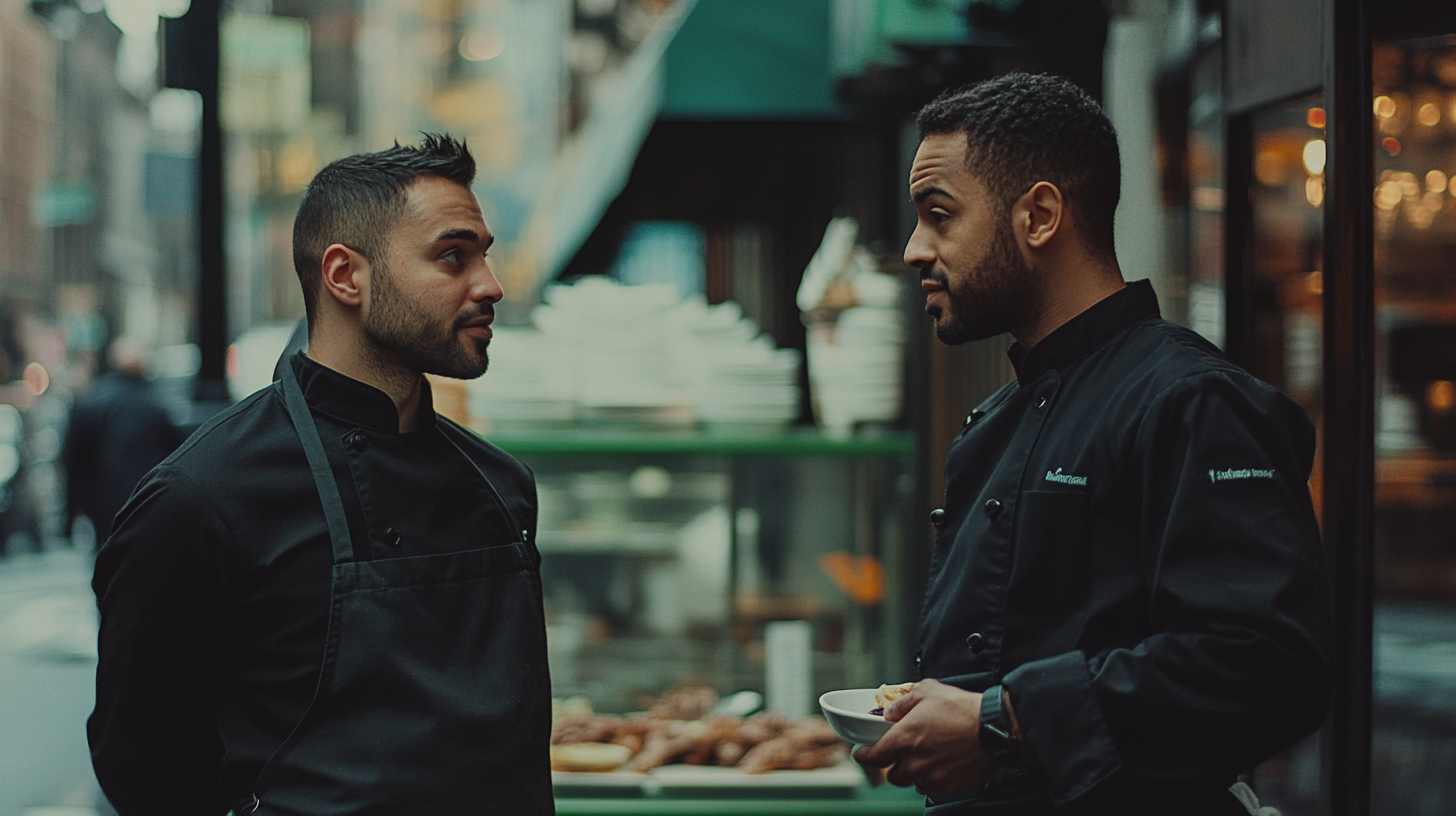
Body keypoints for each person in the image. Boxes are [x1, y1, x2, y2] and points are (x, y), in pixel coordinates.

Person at [853, 74, 1331, 815]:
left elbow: (1267, 664)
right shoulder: (993, 427)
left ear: (1039, 215)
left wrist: (1000, 720)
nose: (916, 249)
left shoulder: (1191, 400)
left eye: (938, 215)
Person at [89, 135, 553, 815]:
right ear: (345, 276)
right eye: (453, 255)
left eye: (485, 254)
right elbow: (145, 769)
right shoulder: (202, 499)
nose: (490, 284)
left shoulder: (501, 485)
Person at [62, 338, 184, 544]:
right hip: (148, 500)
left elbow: (73, 461)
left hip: (104, 503)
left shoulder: (92, 401)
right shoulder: (155, 404)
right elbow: (174, 456)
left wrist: (72, 513)